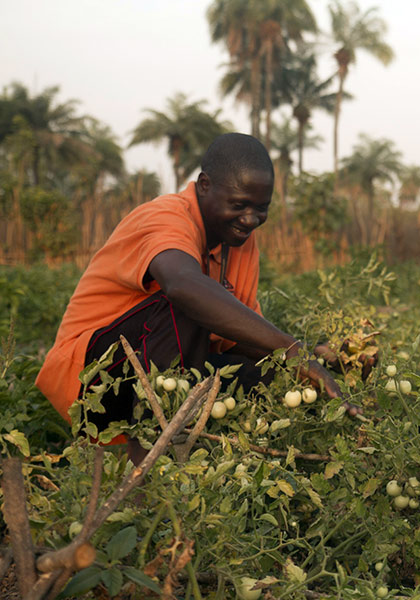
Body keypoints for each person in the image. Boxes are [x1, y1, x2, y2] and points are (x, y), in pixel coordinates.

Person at [37, 132, 360, 461]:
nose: (250, 219)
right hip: (89, 383)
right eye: (239, 205)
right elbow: (183, 286)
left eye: (261, 208)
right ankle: (149, 465)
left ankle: (206, 451)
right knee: (190, 303)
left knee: (265, 373)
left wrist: (312, 358)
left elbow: (235, 336)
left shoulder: (238, 241)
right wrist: (290, 348)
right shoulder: (165, 216)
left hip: (158, 374)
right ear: (204, 185)